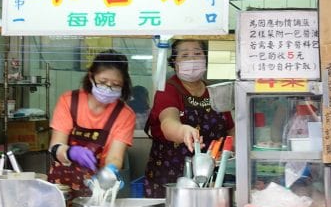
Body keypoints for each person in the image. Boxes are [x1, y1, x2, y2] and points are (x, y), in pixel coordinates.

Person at [143, 39, 233, 197]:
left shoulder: (214, 91)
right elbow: (168, 122)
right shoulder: (168, 90)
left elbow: (231, 129)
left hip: (213, 177)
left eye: (198, 54)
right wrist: (183, 131)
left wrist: (233, 153)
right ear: (174, 62)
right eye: (185, 55)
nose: (192, 59)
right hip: (172, 177)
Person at [47, 50, 135, 196]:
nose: (108, 88)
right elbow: (55, 147)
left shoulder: (125, 115)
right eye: (102, 82)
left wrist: (109, 172)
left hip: (96, 188)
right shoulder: (69, 101)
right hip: (60, 189)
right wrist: (70, 152)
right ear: (91, 76)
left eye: (115, 84)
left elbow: (115, 157)